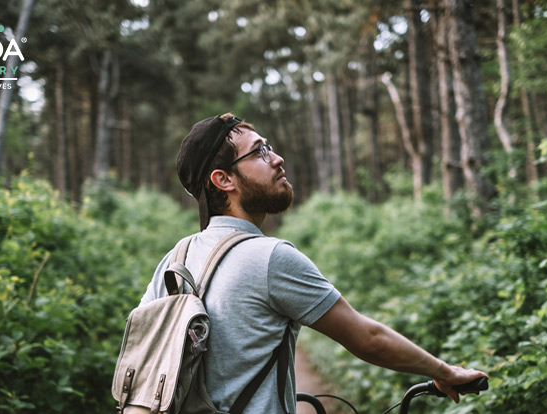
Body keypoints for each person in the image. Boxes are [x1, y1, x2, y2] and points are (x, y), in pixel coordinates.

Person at [140, 113, 487, 413]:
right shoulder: (270, 258)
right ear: (223, 180)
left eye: (269, 147)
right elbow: (367, 338)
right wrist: (445, 371)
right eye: (259, 151)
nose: (277, 159)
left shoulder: (174, 259)